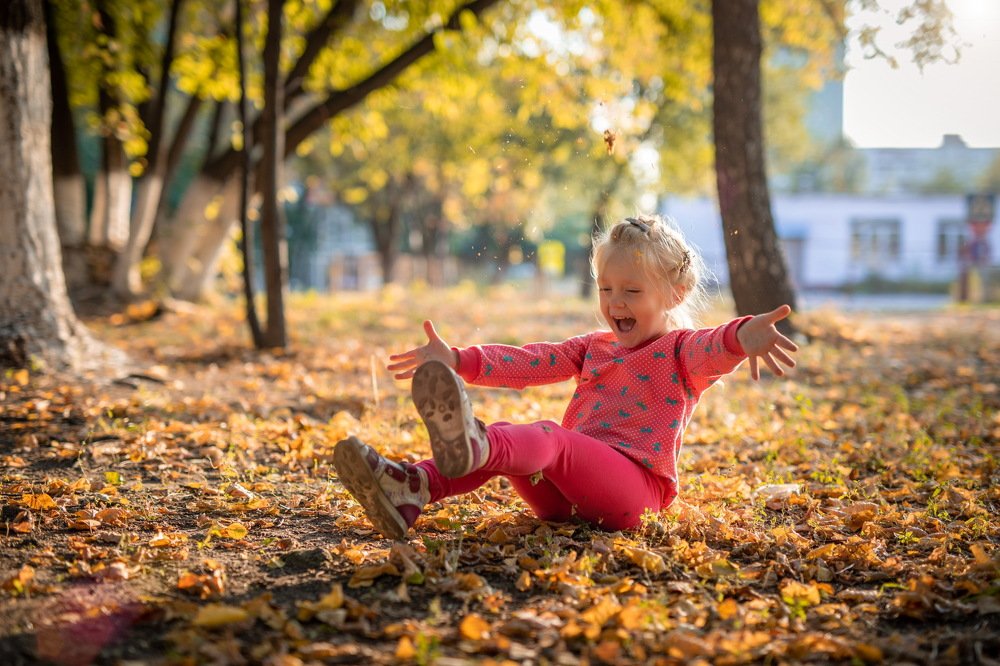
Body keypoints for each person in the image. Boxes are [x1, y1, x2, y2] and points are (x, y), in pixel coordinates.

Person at [333, 214, 798, 540]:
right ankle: (410, 488)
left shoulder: (680, 352)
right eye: (606, 289)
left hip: (635, 496)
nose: (616, 303)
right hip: (563, 499)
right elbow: (529, 361)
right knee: (508, 440)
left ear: (674, 295)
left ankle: (475, 447)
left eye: (632, 291)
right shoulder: (593, 348)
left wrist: (744, 335)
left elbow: (716, 345)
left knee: (544, 439)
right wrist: (458, 359)